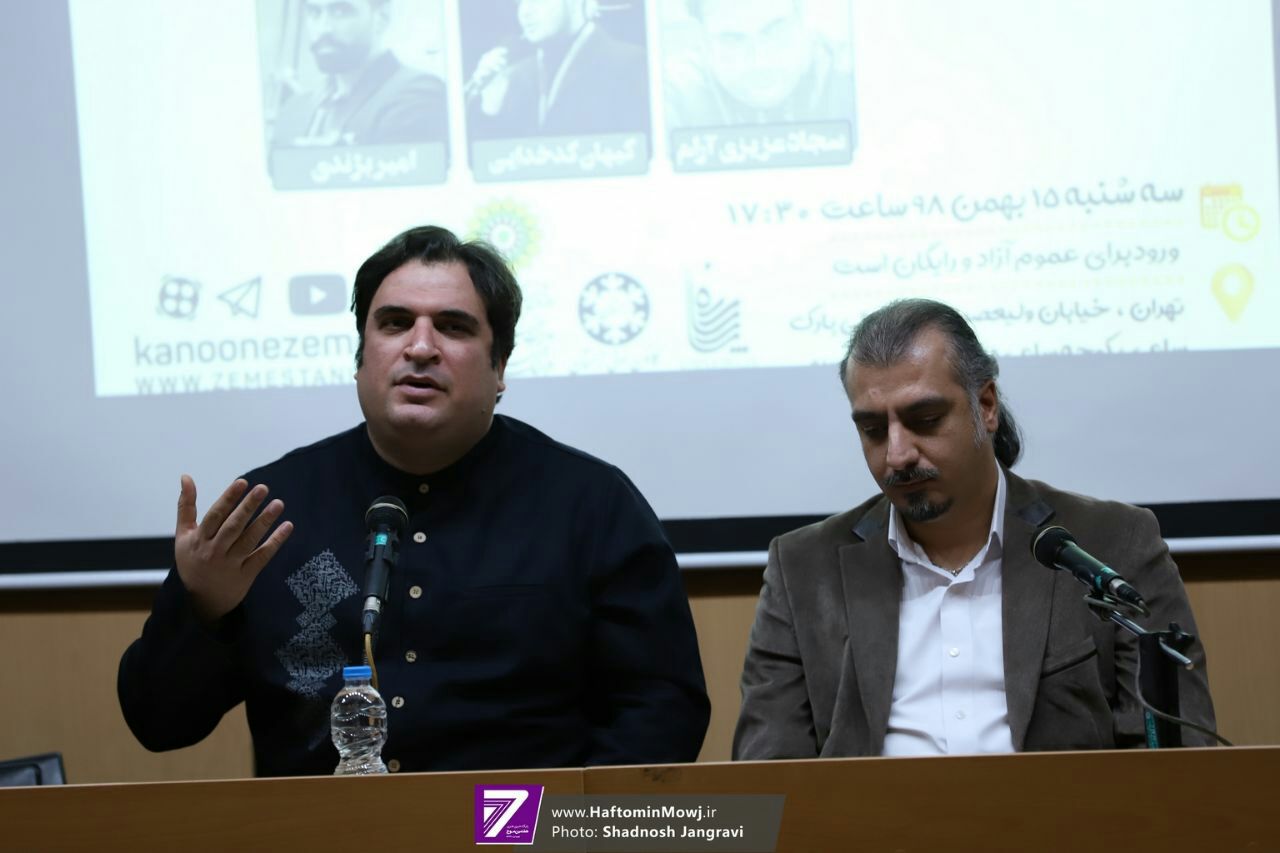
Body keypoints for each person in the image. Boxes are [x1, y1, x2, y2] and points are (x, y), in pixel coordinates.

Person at [119, 226, 709, 776]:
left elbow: (662, 710)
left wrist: (550, 828)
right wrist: (204, 609)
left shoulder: (591, 505)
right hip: (323, 832)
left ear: (500, 366)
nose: (420, 347)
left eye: (453, 327)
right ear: (361, 358)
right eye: (395, 323)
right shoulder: (272, 513)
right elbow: (158, 724)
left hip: (517, 830)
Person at [734, 299, 1215, 758]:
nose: (897, 455)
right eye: (874, 430)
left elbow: (1176, 764)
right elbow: (767, 778)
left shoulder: (1112, 543)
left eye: (925, 420)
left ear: (986, 405)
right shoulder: (803, 570)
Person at [272, 0, 448, 148]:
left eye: (340, 12)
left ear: (381, 17)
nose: (323, 28)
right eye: (314, 13)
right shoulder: (294, 110)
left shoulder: (419, 95)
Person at [465, 0, 649, 138]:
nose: (525, 12)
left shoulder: (630, 64)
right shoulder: (516, 77)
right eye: (520, 2)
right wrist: (490, 109)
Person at [664, 0, 855, 128]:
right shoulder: (669, 98)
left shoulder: (855, 82)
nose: (760, 61)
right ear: (702, 40)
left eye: (775, 30)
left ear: (802, 19)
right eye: (732, 39)